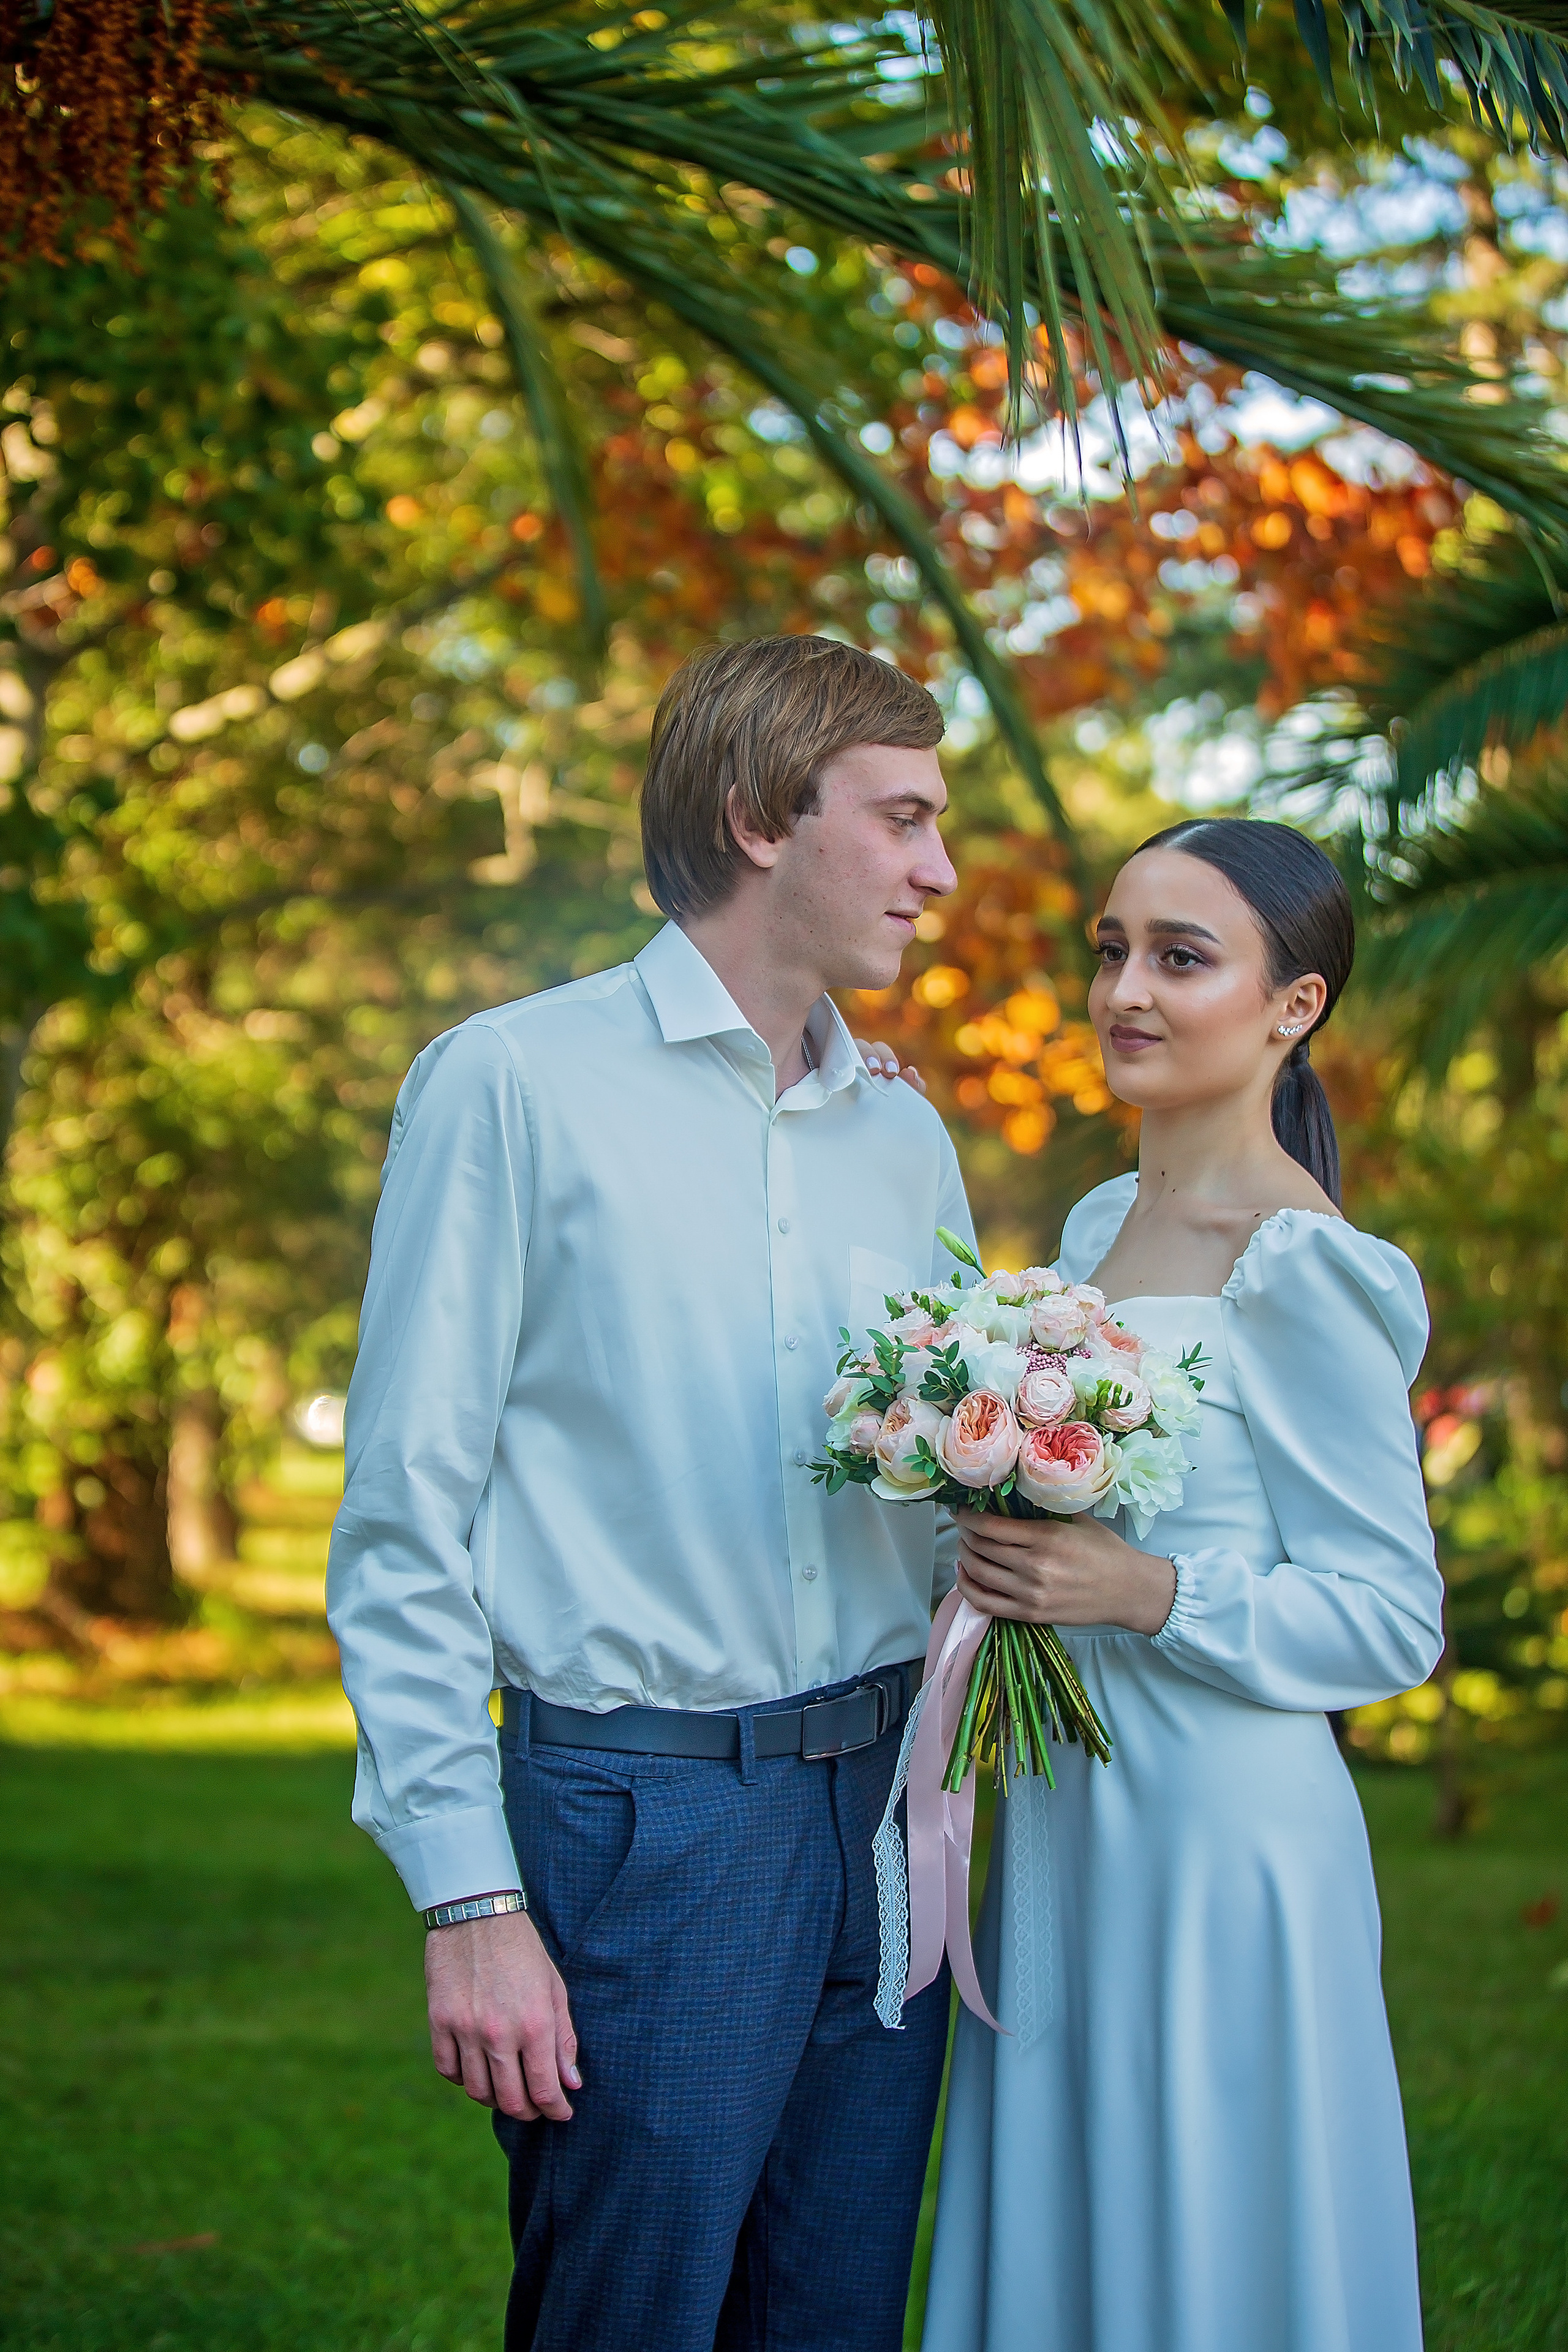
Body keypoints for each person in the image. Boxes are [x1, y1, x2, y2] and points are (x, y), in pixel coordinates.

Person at [326, 634, 974, 2352]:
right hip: (647, 1825)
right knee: (632, 2322)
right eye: (903, 820)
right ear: (764, 816)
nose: (941, 871)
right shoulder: (511, 1083)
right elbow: (404, 1519)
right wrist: (469, 1897)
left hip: (891, 1817)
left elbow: (941, 1467)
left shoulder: (905, 1136)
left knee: (834, 2319)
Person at [919, 818, 1444, 2352]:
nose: (1123, 991)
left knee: (1209, 2222)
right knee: (1074, 2205)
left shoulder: (1303, 1265)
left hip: (1225, 1838)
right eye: (1110, 949)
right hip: (1072, 1820)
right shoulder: (1092, 1226)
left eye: (1179, 957)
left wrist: (1141, 1591)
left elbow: (1387, 1619)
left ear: (1293, 1007)